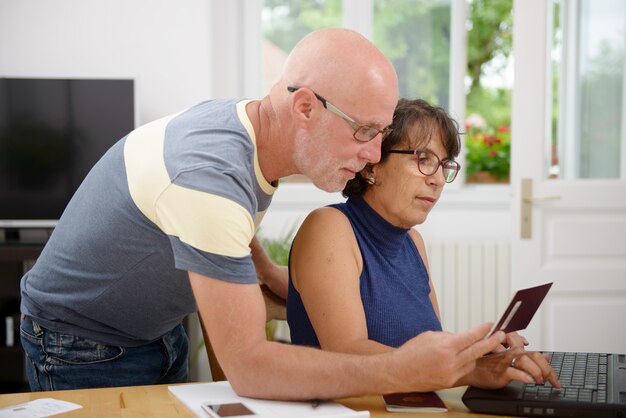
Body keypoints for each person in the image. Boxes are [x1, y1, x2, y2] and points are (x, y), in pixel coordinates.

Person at [20, 28, 508, 399]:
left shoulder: (256, 137)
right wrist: (404, 369)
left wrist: (271, 277)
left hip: (158, 329)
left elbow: (223, 240)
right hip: (80, 342)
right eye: (365, 131)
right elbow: (248, 367)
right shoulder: (208, 175)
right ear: (304, 109)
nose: (374, 153)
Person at [287, 98, 560, 390]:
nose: (439, 179)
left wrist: (478, 350)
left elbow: (420, 346)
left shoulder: (412, 241)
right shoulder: (329, 227)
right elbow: (346, 353)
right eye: (424, 159)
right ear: (371, 166)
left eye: (444, 166)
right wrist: (469, 368)